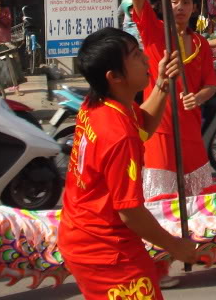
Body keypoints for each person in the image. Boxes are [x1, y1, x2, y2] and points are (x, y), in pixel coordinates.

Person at [59, 28, 198, 300]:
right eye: (135, 55)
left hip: (87, 235)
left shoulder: (101, 105)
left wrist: (161, 83)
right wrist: (175, 247)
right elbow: (130, 211)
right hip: (105, 249)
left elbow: (144, 125)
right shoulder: (119, 134)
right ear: (115, 77)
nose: (146, 59)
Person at [130, 0, 216, 205]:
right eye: (175, 2)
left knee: (196, 198)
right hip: (158, 126)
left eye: (186, 2)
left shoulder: (201, 43)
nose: (180, 7)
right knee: (160, 198)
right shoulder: (154, 32)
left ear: (193, 8)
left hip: (190, 128)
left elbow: (210, 85)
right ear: (165, 6)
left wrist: (199, 97)